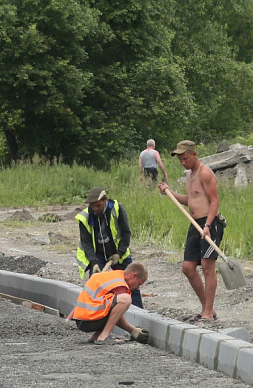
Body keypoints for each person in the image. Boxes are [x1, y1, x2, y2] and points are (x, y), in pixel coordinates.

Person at [158, 140, 222, 324]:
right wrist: (169, 192)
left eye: (185, 158)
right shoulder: (189, 174)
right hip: (194, 224)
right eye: (180, 160)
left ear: (194, 154)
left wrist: (208, 226)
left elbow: (214, 201)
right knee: (188, 268)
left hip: (210, 224)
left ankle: (208, 313)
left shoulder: (205, 173)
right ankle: (207, 309)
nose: (183, 162)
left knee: (207, 267)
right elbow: (190, 200)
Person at [75, 187, 143, 308]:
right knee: (96, 284)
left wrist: (119, 254)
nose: (95, 209)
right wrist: (93, 262)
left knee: (131, 284)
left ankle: (138, 313)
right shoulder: (85, 217)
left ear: (105, 200)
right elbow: (86, 243)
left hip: (117, 253)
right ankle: (98, 315)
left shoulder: (117, 209)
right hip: (98, 255)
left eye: (98, 205)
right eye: (93, 206)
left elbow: (126, 233)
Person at [67, 263, 150, 345]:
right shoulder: (120, 285)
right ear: (134, 276)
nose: (137, 288)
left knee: (112, 304)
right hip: (89, 318)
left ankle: (98, 335)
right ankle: (104, 336)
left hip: (83, 318)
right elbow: (116, 315)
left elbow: (109, 309)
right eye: (139, 284)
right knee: (126, 299)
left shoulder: (114, 276)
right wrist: (133, 330)